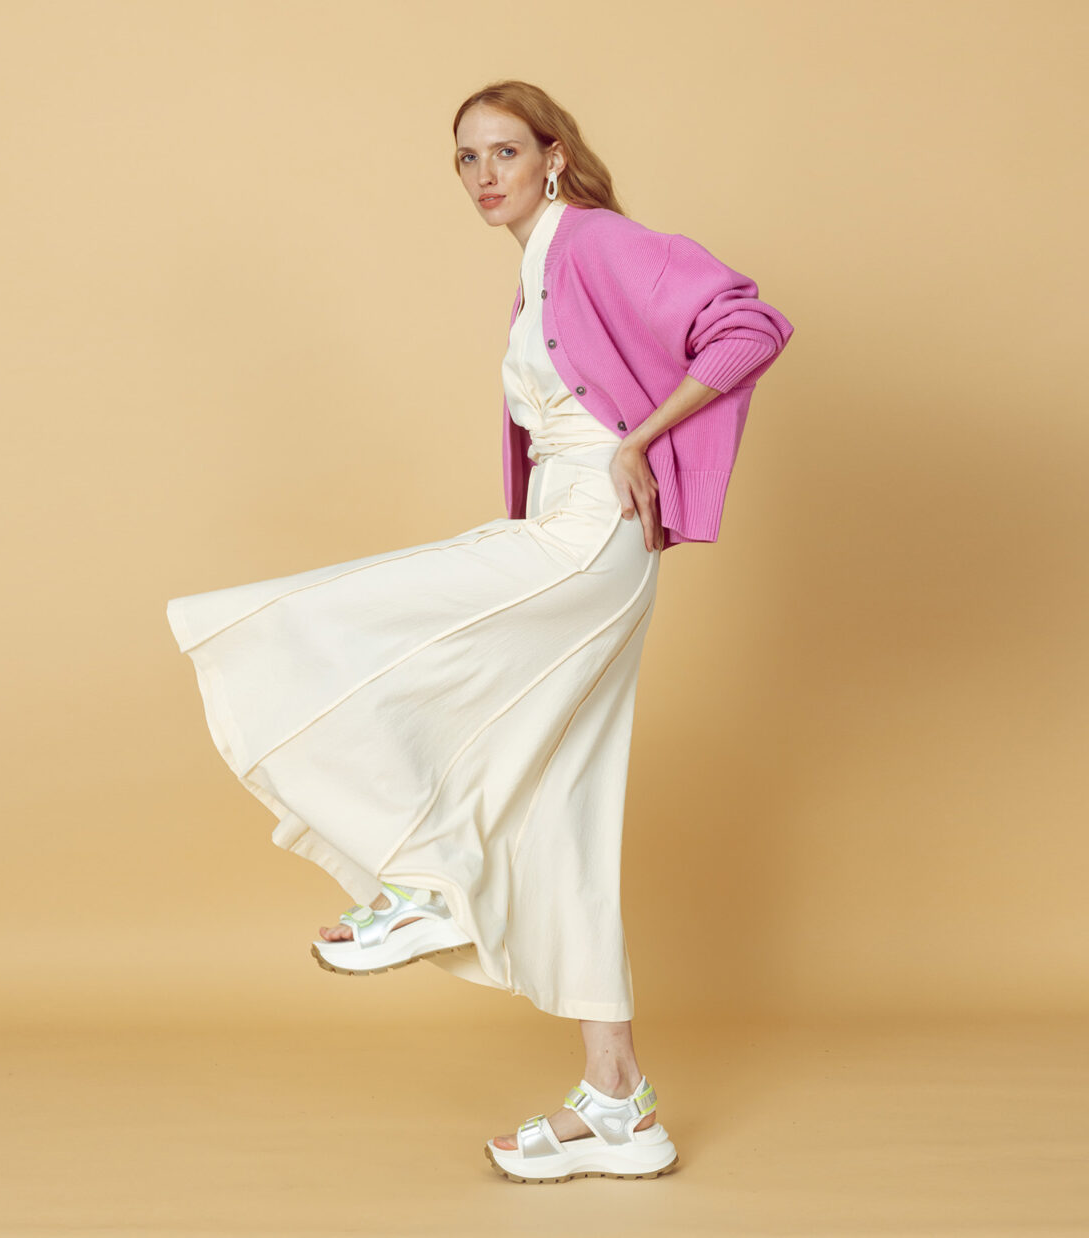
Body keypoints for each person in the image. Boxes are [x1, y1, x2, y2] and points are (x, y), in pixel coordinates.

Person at [165, 79, 793, 1184]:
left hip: (589, 534)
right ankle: (620, 1101)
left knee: (334, 625)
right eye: (466, 158)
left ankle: (424, 876)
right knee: (565, 812)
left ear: (555, 156)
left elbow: (749, 324)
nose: (483, 174)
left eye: (504, 151)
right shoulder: (538, 267)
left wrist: (639, 442)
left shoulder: (591, 241)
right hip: (565, 524)